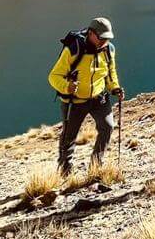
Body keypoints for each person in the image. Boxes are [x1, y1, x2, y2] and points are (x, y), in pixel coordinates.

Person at [48, 17, 125, 175]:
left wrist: (114, 87)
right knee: (69, 136)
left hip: (99, 98)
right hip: (74, 101)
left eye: (107, 38)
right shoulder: (74, 49)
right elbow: (54, 76)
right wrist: (67, 87)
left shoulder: (109, 50)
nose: (105, 41)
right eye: (101, 37)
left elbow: (110, 73)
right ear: (91, 33)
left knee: (108, 127)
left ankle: (96, 164)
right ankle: (65, 169)